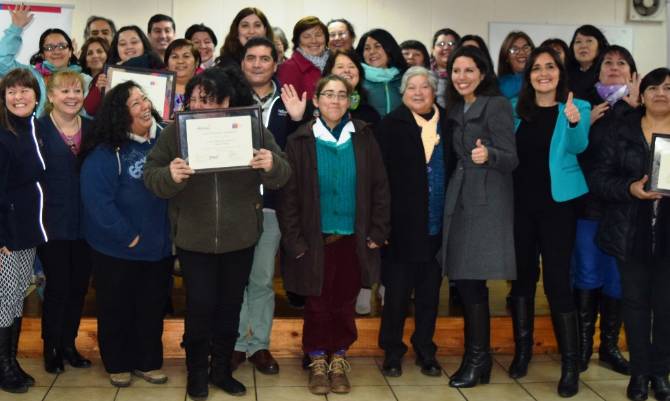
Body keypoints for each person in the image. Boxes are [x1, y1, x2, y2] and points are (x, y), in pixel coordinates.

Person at [143, 67, 291, 400]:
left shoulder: (250, 128)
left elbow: (282, 173)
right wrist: (170, 174)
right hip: (194, 238)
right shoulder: (174, 133)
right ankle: (196, 373)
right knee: (200, 305)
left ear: (226, 101)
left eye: (207, 99)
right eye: (193, 98)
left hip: (240, 236)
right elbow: (152, 177)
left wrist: (270, 164)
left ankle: (221, 370)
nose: (197, 105)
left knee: (229, 306)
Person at [277, 74, 390, 395]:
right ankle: (316, 360)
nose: (336, 101)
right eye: (328, 94)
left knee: (343, 303)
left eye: (342, 95)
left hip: (354, 240)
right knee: (317, 304)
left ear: (350, 101)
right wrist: (296, 242)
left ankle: (338, 358)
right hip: (315, 241)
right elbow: (289, 198)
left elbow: (380, 188)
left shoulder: (365, 138)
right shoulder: (299, 141)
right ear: (315, 100)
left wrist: (378, 232)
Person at [509, 47, 591, 397]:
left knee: (558, 281)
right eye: (537, 68)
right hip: (519, 206)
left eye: (550, 67)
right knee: (523, 280)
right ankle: (523, 352)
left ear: (560, 73)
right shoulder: (515, 107)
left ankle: (571, 364)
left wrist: (572, 120)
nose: (544, 73)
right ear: (528, 76)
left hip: (559, 207)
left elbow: (578, 146)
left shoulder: (578, 107)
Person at [80, 81, 172, 388]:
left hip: (157, 248)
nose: (145, 106)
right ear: (121, 113)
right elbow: (97, 201)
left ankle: (147, 362)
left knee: (150, 307)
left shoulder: (166, 142)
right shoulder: (107, 151)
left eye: (145, 99)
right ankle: (117, 363)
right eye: (135, 103)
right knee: (116, 307)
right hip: (117, 249)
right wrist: (127, 236)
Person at [588, 67, 670, 401]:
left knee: (666, 308)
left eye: (668, 88)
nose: (661, 93)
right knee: (635, 306)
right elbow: (598, 178)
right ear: (643, 93)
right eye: (654, 87)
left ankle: (660, 373)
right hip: (629, 231)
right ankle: (638, 374)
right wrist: (629, 188)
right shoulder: (621, 130)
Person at [441, 46, 517, 388]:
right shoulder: (457, 107)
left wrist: (490, 154)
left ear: (483, 73)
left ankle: (477, 359)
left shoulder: (497, 104)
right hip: (461, 195)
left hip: (486, 199)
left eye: (468, 70)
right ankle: (479, 359)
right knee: (466, 280)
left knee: (472, 280)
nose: (461, 77)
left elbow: (511, 157)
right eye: (456, 71)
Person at [233, 36, 307, 374]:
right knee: (234, 280)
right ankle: (235, 344)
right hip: (232, 205)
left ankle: (259, 344)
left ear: (275, 64)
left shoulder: (288, 100)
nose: (258, 64)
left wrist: (297, 119)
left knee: (261, 279)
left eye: (265, 58)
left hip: (272, 205)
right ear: (243, 62)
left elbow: (300, 151)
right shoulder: (229, 98)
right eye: (252, 58)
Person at [376, 66, 451, 378]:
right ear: (402, 93)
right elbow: (379, 181)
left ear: (434, 92)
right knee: (395, 296)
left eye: (425, 87)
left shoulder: (450, 124)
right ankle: (392, 351)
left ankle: (425, 349)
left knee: (430, 296)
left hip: (437, 227)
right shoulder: (390, 125)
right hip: (401, 227)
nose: (418, 93)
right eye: (411, 88)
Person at [573, 45, 638, 376]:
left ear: (632, 73)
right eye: (607, 63)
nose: (613, 67)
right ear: (597, 71)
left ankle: (609, 346)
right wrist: (583, 125)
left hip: (626, 208)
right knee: (587, 273)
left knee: (616, 278)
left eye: (621, 63)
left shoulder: (639, 111)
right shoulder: (583, 107)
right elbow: (569, 154)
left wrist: (636, 109)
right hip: (587, 206)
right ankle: (583, 346)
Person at [36, 71, 93, 374]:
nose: (72, 96)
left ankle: (69, 344)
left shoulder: (95, 129)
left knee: (78, 287)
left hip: (87, 224)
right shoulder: (38, 129)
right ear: (51, 95)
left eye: (77, 90)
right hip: (51, 223)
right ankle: (51, 347)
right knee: (57, 287)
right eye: (64, 91)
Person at [0, 68, 47, 394]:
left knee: (15, 299)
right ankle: (3, 368)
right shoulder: (3, 135)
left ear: (36, 95)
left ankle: (10, 362)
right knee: (4, 301)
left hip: (27, 230)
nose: (19, 97)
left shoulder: (30, 129)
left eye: (25, 91)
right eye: (12, 92)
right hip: (8, 236)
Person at [0, 4, 92, 116]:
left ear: (70, 52)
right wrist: (16, 28)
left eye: (62, 46)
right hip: (35, 131)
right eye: (49, 48)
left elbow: (90, 114)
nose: (56, 51)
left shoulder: (85, 81)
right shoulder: (30, 75)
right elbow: (2, 61)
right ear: (43, 55)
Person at [84, 26, 165, 116]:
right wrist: (99, 90)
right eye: (122, 44)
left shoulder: (160, 71)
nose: (129, 47)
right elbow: (90, 110)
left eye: (134, 42)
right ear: (116, 48)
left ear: (143, 44)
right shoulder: (108, 73)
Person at [355, 29, 407, 117]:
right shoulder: (356, 78)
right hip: (367, 130)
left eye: (377, 46)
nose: (372, 52)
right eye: (367, 48)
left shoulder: (405, 77)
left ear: (389, 48)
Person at [277, 16, 329, 101]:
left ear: (326, 38)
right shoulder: (288, 68)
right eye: (306, 36)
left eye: (318, 35)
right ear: (298, 41)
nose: (314, 41)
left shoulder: (334, 63)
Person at [325, 49, 381, 126]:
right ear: (329, 73)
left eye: (351, 66)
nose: (347, 70)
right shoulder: (317, 108)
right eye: (340, 67)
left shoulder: (370, 113)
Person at [567, 25, 609, 100]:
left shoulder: (607, 72)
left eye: (589, 41)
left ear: (599, 46)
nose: (583, 46)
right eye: (578, 42)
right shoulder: (566, 74)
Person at [164, 39, 200, 115]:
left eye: (186, 56)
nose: (180, 61)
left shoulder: (206, 89)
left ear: (197, 62)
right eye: (174, 57)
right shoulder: (157, 88)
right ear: (167, 64)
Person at [497, 31, 534, 99]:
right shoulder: (498, 85)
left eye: (526, 48)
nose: (522, 53)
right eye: (514, 49)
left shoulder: (542, 78)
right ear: (506, 57)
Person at [430, 28, 460, 108]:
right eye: (441, 44)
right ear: (432, 50)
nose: (446, 48)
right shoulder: (423, 73)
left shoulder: (466, 74)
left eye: (451, 44)